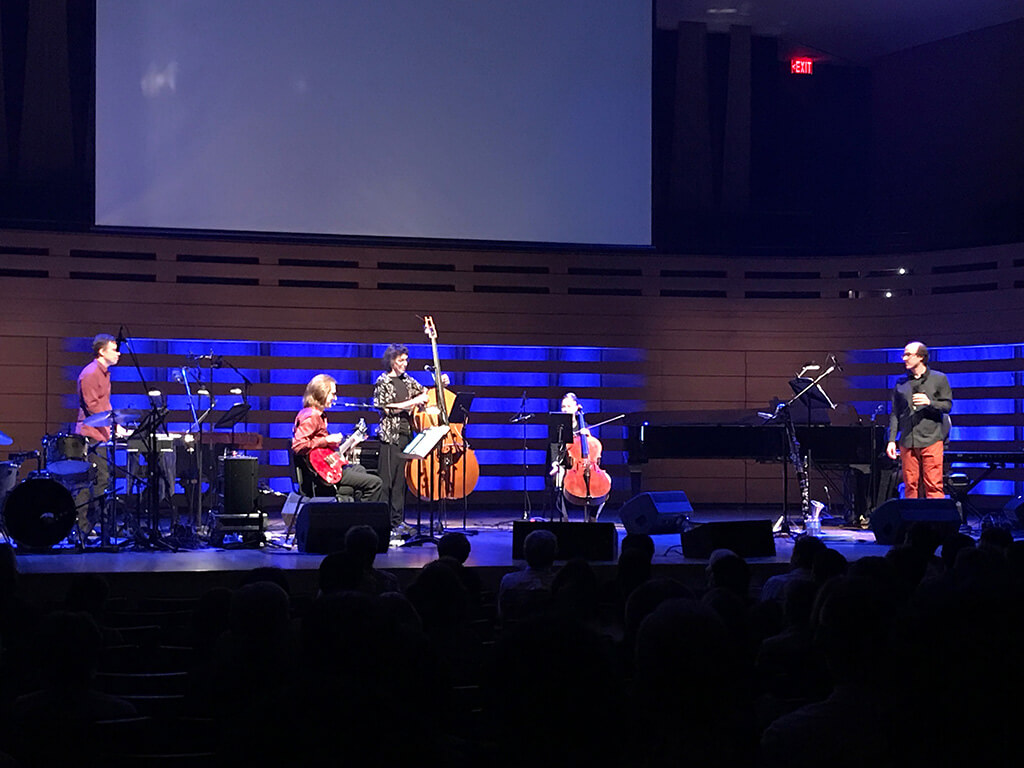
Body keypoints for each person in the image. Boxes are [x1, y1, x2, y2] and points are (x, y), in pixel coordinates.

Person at [292, 374, 382, 503]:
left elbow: (320, 449)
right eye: (332, 394)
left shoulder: (318, 415)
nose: (335, 398)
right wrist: (326, 440)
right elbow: (298, 446)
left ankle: (353, 510)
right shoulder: (311, 416)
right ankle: (361, 514)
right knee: (375, 483)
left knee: (360, 469)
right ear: (322, 393)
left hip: (326, 465)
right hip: (320, 473)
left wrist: (347, 445)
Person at [372, 344, 430, 538]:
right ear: (391, 361)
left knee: (400, 483)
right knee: (386, 482)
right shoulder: (383, 381)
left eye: (406, 360)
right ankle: (383, 522)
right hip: (390, 437)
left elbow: (423, 392)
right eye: (400, 360)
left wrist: (440, 384)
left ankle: (397, 521)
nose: (405, 364)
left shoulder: (407, 380)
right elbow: (386, 408)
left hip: (406, 435)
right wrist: (413, 402)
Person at [885, 341, 953, 499]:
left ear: (921, 357)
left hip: (931, 439)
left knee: (933, 485)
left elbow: (947, 406)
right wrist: (891, 440)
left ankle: (935, 515)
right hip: (908, 440)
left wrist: (930, 403)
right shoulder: (901, 383)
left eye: (908, 355)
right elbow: (895, 413)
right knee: (910, 485)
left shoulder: (938, 378)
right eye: (904, 354)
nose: (904, 358)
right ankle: (912, 515)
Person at [73, 333, 124, 539]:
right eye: (114, 350)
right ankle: (84, 526)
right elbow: (92, 406)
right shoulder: (91, 373)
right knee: (95, 481)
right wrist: (112, 424)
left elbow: (104, 404)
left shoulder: (103, 373)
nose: (118, 353)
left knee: (101, 480)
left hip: (100, 433)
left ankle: (95, 525)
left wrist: (116, 425)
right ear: (102, 352)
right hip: (91, 435)